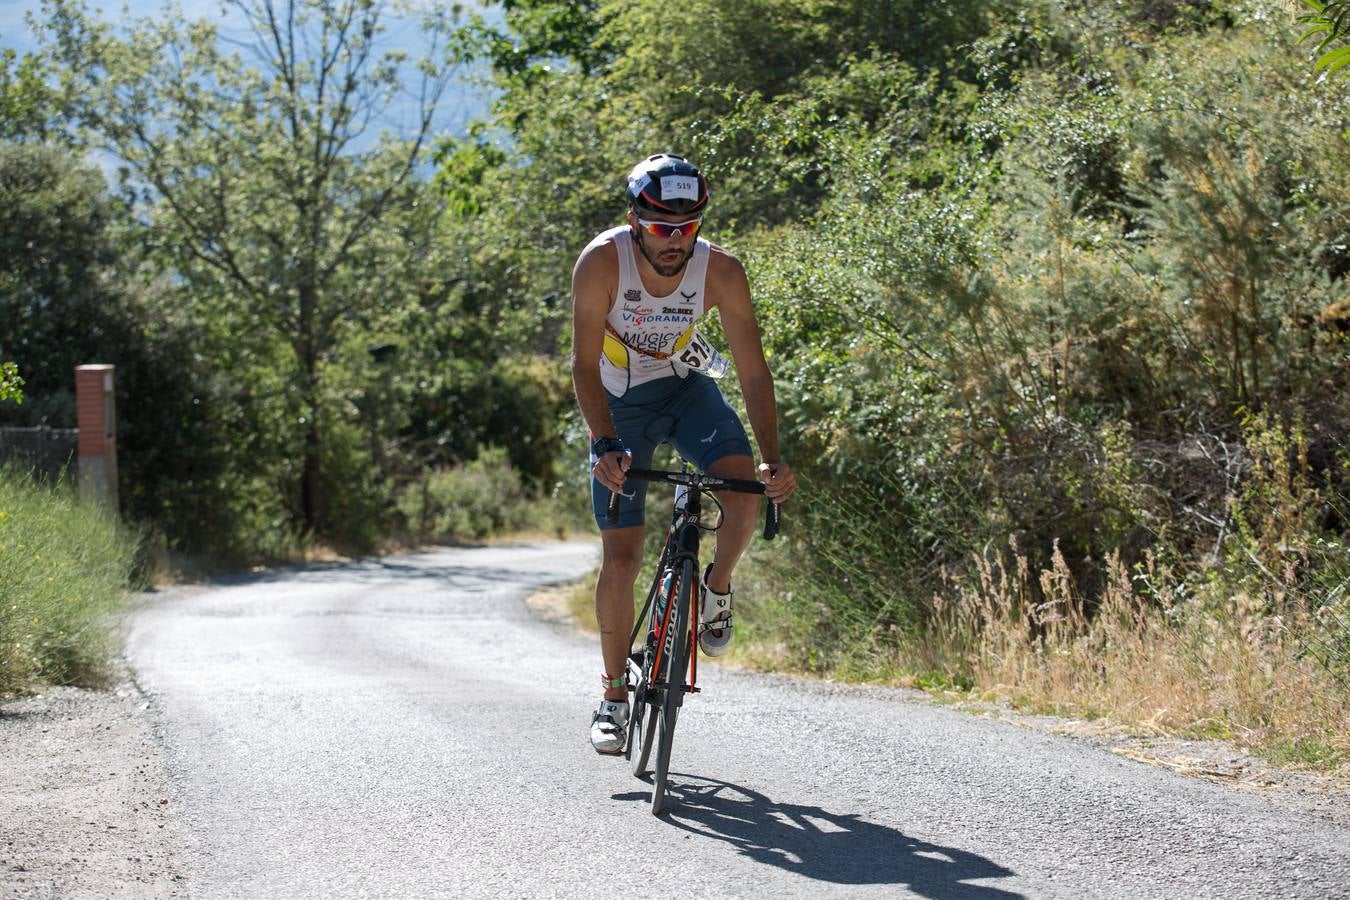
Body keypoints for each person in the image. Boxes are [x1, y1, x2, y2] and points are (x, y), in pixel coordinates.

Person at [571, 153, 797, 754]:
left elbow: (752, 368)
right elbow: (581, 364)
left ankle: (715, 589)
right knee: (622, 557)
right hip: (621, 407)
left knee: (744, 490)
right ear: (634, 219)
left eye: (688, 227)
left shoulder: (721, 270)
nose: (675, 241)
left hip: (686, 389)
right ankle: (613, 697)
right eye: (660, 227)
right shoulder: (601, 263)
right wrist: (604, 443)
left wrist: (773, 456)